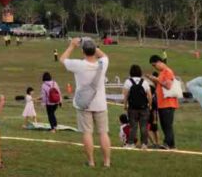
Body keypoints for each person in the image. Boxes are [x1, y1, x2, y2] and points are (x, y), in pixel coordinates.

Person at [60, 37, 111, 168]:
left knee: (87, 133)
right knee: (103, 133)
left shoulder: (79, 64)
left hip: (84, 104)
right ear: (94, 50)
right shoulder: (103, 63)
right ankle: (107, 162)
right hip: (100, 103)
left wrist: (72, 45)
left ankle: (91, 162)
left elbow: (62, 59)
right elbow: (104, 56)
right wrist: (93, 45)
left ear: (83, 51)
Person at [147, 54, 179, 149]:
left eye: (154, 65)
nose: (154, 67)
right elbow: (161, 86)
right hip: (162, 104)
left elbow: (168, 86)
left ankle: (166, 143)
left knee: (167, 125)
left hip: (168, 104)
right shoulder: (162, 72)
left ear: (159, 62)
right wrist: (153, 80)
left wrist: (156, 79)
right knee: (165, 126)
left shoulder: (167, 72)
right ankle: (172, 145)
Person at [122, 64, 152, 149]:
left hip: (132, 107)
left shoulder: (128, 82)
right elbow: (149, 95)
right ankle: (144, 144)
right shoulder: (144, 82)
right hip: (144, 107)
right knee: (143, 126)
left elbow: (126, 95)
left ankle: (131, 143)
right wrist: (150, 105)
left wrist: (125, 105)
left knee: (133, 126)